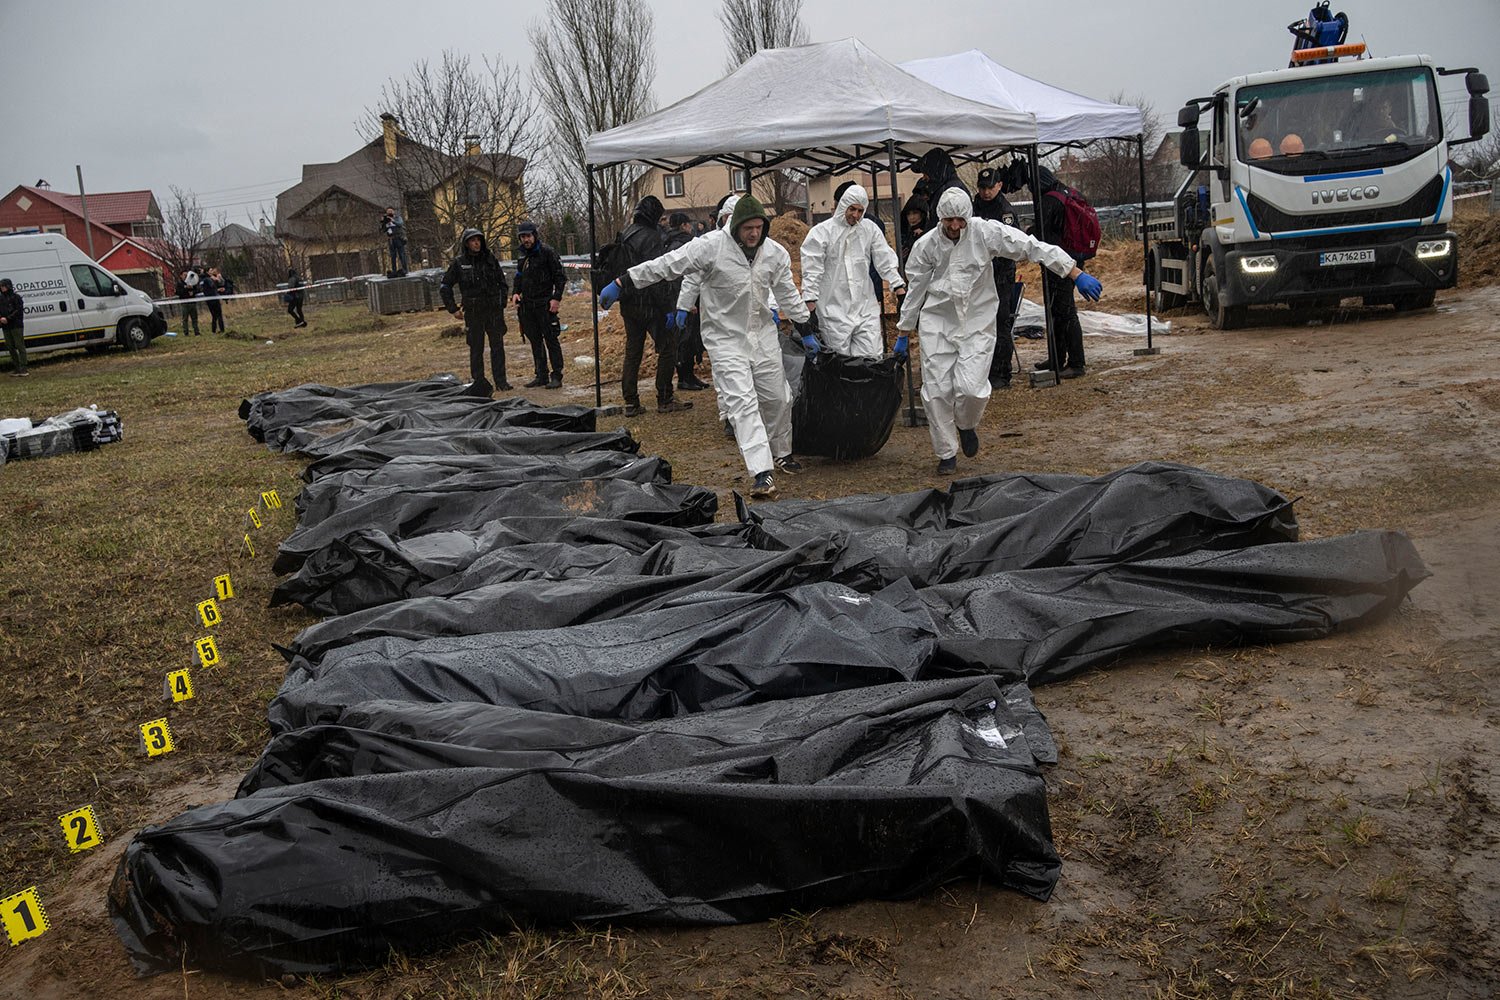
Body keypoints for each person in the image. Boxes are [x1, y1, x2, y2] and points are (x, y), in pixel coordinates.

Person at [600, 194, 809, 499]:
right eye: (747, 227)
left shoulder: (774, 253)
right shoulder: (710, 246)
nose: (753, 233)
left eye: (758, 228)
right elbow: (668, 265)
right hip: (725, 339)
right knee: (742, 402)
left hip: (762, 336)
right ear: (735, 225)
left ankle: (782, 451)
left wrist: (807, 327)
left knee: (778, 399)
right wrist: (624, 282)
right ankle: (761, 472)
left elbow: (787, 293)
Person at [898, 188, 1102, 475]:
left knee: (970, 388)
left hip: (976, 322)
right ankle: (946, 453)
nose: (955, 226)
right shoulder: (926, 246)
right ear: (940, 218)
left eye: (960, 220)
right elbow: (916, 288)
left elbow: (1031, 246)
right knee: (936, 390)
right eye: (949, 220)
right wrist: (904, 330)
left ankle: (966, 424)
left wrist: (1073, 271)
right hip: (939, 323)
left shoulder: (985, 233)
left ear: (968, 216)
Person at [799, 183, 905, 358]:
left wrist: (898, 288)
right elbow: (812, 271)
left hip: (865, 308)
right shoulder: (821, 233)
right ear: (843, 206)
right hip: (833, 310)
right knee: (840, 364)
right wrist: (810, 307)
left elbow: (884, 258)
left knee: (871, 359)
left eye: (860, 211)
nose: (855, 215)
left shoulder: (869, 229)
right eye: (852, 209)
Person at [1006, 163, 1092, 378]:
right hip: (1072, 257)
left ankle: (1075, 362)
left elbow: (1042, 236)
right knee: (1059, 311)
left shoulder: (1048, 201)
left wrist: (1028, 232)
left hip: (1059, 262)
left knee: (1064, 312)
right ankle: (1057, 358)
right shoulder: (1065, 193)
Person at [613, 195, 688, 416]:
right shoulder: (652, 237)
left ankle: (631, 402)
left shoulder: (626, 233)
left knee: (633, 351)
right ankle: (664, 398)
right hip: (650, 304)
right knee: (668, 348)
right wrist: (668, 309)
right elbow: (657, 275)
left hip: (628, 302)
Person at [440, 228, 511, 394]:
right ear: (466, 243)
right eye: (473, 240)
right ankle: (479, 382)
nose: (476, 243)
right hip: (473, 312)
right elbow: (445, 286)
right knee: (476, 348)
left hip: (493, 311)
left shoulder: (490, 259)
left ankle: (501, 381)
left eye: (479, 239)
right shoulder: (459, 263)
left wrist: (501, 303)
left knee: (498, 347)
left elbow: (502, 283)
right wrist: (453, 309)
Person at [972, 167, 1021, 388]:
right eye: (982, 188)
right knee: (980, 324)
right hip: (980, 275)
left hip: (1000, 275)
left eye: (990, 187)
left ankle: (1001, 373)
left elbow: (1013, 244)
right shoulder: (975, 207)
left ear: (999, 186)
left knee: (1000, 323)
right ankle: (983, 370)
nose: (985, 192)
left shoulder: (1004, 211)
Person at [511, 221, 565, 389]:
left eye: (528, 236)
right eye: (522, 237)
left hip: (545, 303)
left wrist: (556, 298)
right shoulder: (522, 255)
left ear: (534, 235)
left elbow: (560, 277)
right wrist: (515, 292)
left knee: (551, 340)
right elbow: (519, 276)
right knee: (535, 340)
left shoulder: (547, 252)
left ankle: (556, 375)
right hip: (528, 305)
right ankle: (541, 375)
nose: (525, 240)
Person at [663, 212, 708, 391]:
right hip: (684, 299)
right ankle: (684, 377)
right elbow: (682, 276)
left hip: (682, 298)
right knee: (686, 339)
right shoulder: (682, 244)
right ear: (683, 225)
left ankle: (689, 375)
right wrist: (686, 302)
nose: (691, 226)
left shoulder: (669, 242)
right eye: (688, 224)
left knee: (689, 338)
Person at [0, 278, 27, 376]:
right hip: (6, 326)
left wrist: (8, 318)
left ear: (8, 286)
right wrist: (1, 319)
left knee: (20, 345)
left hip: (16, 325)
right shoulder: (1, 299)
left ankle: (24, 367)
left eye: (3, 286)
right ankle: (17, 367)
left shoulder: (16, 297)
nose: (2, 288)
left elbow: (18, 311)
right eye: (1, 286)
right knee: (10, 347)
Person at [382, 207, 408, 276]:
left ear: (393, 212)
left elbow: (400, 223)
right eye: (388, 212)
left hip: (399, 238)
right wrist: (383, 222)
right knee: (393, 256)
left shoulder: (397, 218)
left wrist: (392, 220)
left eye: (391, 211)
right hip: (391, 239)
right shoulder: (386, 220)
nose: (390, 213)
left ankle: (405, 269)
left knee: (402, 254)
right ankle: (394, 270)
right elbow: (383, 230)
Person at [175, 269, 201, 336]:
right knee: (185, 319)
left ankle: (197, 332)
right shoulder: (179, 283)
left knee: (194, 318)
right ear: (181, 276)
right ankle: (186, 332)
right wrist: (185, 288)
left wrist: (193, 292)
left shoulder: (192, 281)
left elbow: (198, 289)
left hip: (192, 302)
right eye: (184, 275)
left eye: (187, 275)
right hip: (184, 303)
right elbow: (178, 292)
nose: (186, 276)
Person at [202, 267, 227, 334]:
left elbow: (218, 285)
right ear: (207, 272)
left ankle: (214, 330)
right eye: (210, 270)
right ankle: (221, 330)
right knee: (218, 315)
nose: (212, 271)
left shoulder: (207, 279)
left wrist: (218, 289)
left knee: (214, 316)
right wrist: (215, 280)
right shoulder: (207, 279)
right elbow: (211, 286)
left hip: (211, 299)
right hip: (213, 300)